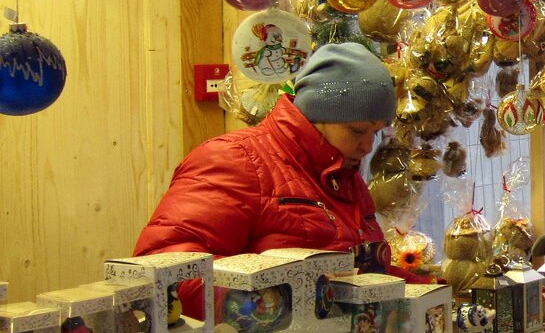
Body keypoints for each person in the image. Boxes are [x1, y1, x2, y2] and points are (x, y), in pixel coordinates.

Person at [135, 41, 397, 311]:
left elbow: (363, 274)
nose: (367, 147)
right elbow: (164, 269)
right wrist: (271, 302)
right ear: (317, 115)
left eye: (375, 133)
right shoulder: (236, 160)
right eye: (357, 131)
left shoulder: (343, 176)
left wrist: (427, 290)